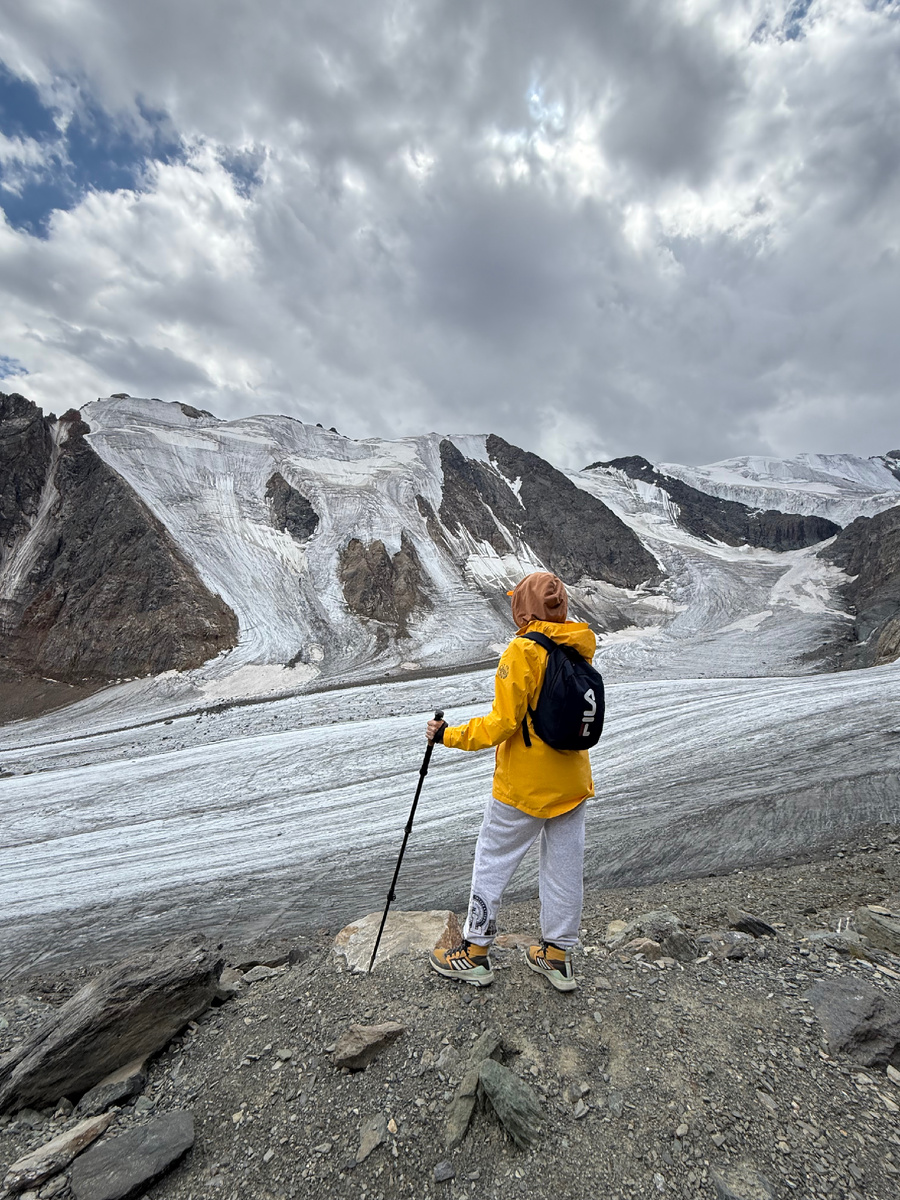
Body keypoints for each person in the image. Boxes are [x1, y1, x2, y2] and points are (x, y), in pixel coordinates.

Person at [425, 570, 596, 992]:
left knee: (493, 859)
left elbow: (501, 724)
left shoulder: (522, 651)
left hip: (524, 785)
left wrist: (448, 735)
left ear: (524, 609)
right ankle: (557, 957)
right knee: (564, 868)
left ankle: (475, 952)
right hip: (572, 781)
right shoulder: (578, 646)